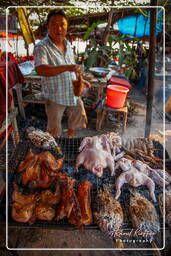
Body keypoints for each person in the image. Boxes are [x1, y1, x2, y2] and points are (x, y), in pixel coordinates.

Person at [33, 9, 90, 137]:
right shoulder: (41, 47)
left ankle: (70, 138)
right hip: (55, 95)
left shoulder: (68, 44)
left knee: (76, 119)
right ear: (47, 26)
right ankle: (54, 151)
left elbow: (73, 68)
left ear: (67, 26)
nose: (59, 28)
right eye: (54, 24)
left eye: (62, 24)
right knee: (54, 129)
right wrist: (66, 68)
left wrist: (81, 80)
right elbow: (40, 69)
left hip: (72, 93)